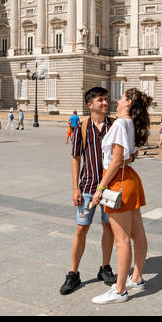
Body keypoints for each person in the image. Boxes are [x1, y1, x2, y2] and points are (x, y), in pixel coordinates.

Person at [89, 87, 153, 304]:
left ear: (128, 104)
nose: (117, 100)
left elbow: (116, 160)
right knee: (138, 233)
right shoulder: (131, 123)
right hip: (131, 179)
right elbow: (130, 155)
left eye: (122, 97)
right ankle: (137, 277)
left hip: (118, 181)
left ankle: (120, 290)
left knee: (122, 240)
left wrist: (100, 189)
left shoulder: (119, 123)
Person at [62, 87, 118, 296]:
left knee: (108, 228)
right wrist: (75, 187)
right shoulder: (82, 129)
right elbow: (76, 158)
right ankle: (73, 273)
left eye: (106, 99)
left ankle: (105, 267)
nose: (105, 103)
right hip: (86, 188)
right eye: (101, 100)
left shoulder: (114, 126)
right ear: (90, 105)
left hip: (110, 189)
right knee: (81, 229)